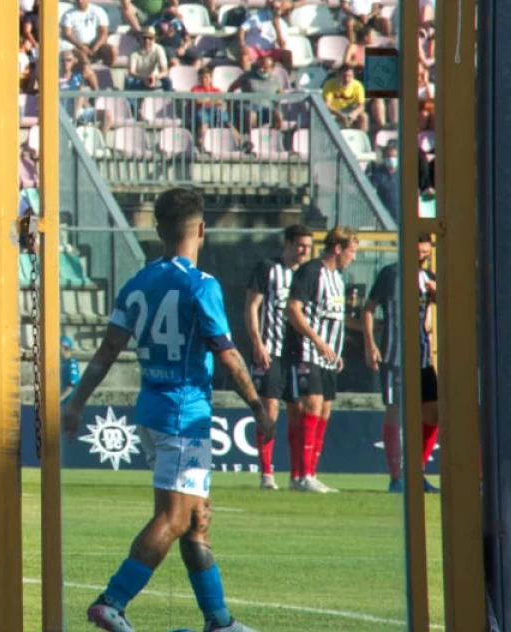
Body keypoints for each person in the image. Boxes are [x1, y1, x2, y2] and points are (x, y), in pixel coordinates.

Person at [61, 186, 268, 632]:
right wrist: (258, 406)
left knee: (197, 518)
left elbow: (107, 351)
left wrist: (76, 401)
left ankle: (219, 620)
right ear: (202, 230)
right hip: (183, 413)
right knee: (175, 518)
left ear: (158, 231)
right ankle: (111, 601)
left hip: (153, 409)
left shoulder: (138, 283)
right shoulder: (202, 285)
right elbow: (227, 354)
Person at [365, 235, 440, 494]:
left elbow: (429, 321)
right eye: (419, 245)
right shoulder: (391, 274)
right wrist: (370, 343)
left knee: (434, 411)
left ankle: (415, 472)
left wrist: (434, 296)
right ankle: (397, 477)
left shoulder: (429, 277)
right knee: (396, 411)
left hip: (422, 354)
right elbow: (369, 308)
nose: (424, 251)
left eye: (427, 246)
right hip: (395, 354)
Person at [284, 225, 355, 492]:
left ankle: (309, 473)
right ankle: (301, 476)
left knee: (324, 409)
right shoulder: (311, 271)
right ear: (337, 248)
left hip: (328, 355)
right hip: (307, 350)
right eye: (352, 251)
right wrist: (317, 341)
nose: (354, 257)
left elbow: (334, 318)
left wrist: (335, 351)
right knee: (310, 406)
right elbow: (293, 309)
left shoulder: (338, 278)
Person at [240, 226, 311, 489]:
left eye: (308, 246)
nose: (305, 251)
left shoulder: (308, 273)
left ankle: (297, 476)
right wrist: (256, 341)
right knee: (269, 409)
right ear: (288, 244)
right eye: (301, 245)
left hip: (298, 353)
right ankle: (267, 474)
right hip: (271, 350)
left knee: (298, 410)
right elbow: (252, 305)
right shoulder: (268, 268)